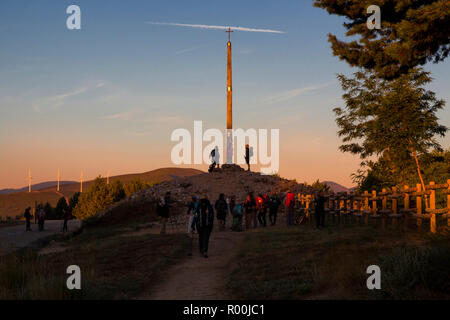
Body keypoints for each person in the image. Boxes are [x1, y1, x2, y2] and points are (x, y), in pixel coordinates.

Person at [196, 193, 214, 258]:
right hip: (207, 225)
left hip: (200, 225)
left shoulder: (199, 205)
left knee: (201, 238)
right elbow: (212, 216)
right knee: (205, 238)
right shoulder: (209, 206)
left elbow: (196, 215)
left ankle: (202, 251)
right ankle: (204, 251)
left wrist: (195, 224)